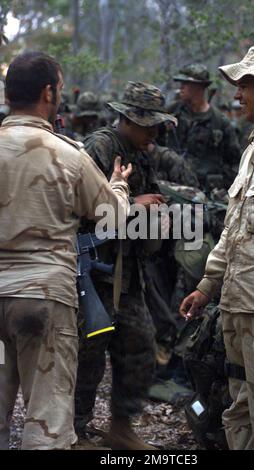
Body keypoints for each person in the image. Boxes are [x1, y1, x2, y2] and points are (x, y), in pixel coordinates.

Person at [0, 52, 131, 450]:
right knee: (48, 426)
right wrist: (119, 185)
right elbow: (114, 218)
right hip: (44, 300)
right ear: (48, 93)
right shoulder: (69, 154)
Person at [180, 44, 254, 450]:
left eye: (245, 85)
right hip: (236, 307)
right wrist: (207, 285)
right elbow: (234, 229)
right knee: (239, 410)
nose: (237, 95)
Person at [74, 81, 177, 450]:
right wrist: (137, 203)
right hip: (96, 271)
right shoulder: (99, 146)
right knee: (88, 352)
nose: (155, 132)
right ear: (131, 120)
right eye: (150, 124)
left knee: (139, 346)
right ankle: (77, 429)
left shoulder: (142, 152)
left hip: (129, 272)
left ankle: (121, 425)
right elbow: (87, 207)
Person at [167, 63, 241, 190]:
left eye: (186, 83)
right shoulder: (172, 112)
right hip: (173, 188)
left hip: (207, 194)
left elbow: (235, 163)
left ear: (200, 87)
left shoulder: (219, 122)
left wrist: (222, 189)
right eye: (180, 83)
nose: (181, 87)